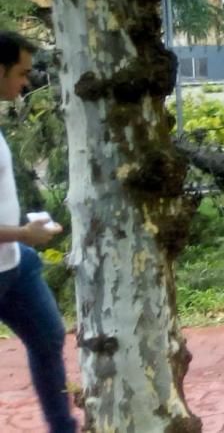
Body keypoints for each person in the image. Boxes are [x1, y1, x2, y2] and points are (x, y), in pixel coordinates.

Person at [0, 31, 77, 432]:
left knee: (48, 338)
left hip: (15, 265)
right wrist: (22, 234)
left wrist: (24, 237)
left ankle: (64, 427)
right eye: (21, 72)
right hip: (12, 251)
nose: (26, 82)